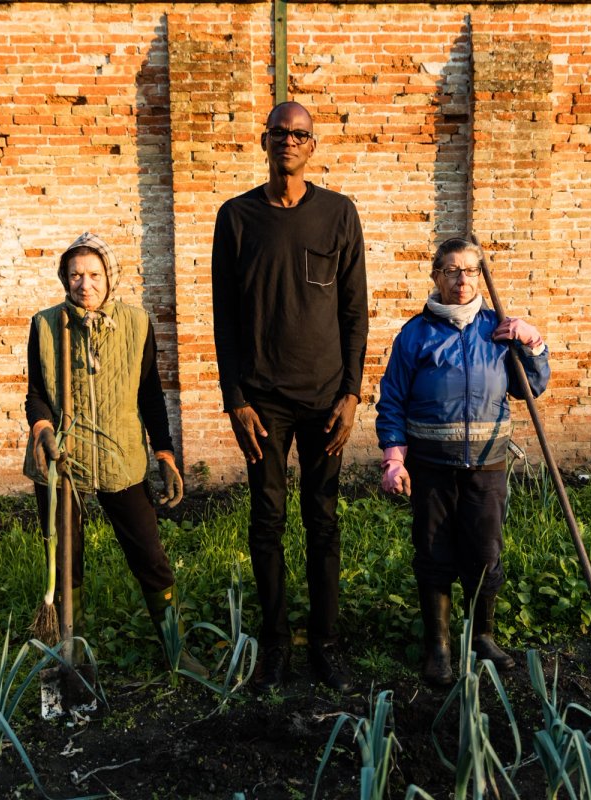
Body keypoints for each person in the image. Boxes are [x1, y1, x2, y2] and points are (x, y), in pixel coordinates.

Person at [211, 101, 368, 692]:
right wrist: (235, 398)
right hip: (263, 403)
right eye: (280, 132)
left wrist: (352, 394)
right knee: (267, 520)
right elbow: (224, 316)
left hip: (327, 398)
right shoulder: (237, 218)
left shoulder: (338, 213)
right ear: (264, 140)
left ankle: (325, 643)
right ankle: (276, 643)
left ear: (312, 144)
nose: (290, 141)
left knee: (323, 520)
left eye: (300, 134)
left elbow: (355, 311)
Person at [24, 231, 204, 676]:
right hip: (62, 463)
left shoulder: (137, 324)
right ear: (65, 279)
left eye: (93, 274)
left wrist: (164, 453)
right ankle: (74, 656)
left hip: (121, 457)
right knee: (67, 565)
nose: (85, 284)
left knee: (151, 558)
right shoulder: (45, 325)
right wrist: (44, 429)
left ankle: (175, 650)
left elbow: (150, 394)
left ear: (109, 277)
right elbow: (35, 394)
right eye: (75, 275)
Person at [375, 236, 550, 687]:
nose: (462, 279)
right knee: (433, 554)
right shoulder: (416, 334)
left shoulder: (498, 330)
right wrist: (394, 459)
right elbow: (392, 398)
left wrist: (532, 344)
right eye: (452, 270)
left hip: (488, 464)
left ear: (480, 276)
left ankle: (483, 637)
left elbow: (529, 388)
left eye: (471, 270)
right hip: (432, 466)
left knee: (485, 552)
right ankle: (439, 648)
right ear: (435, 276)